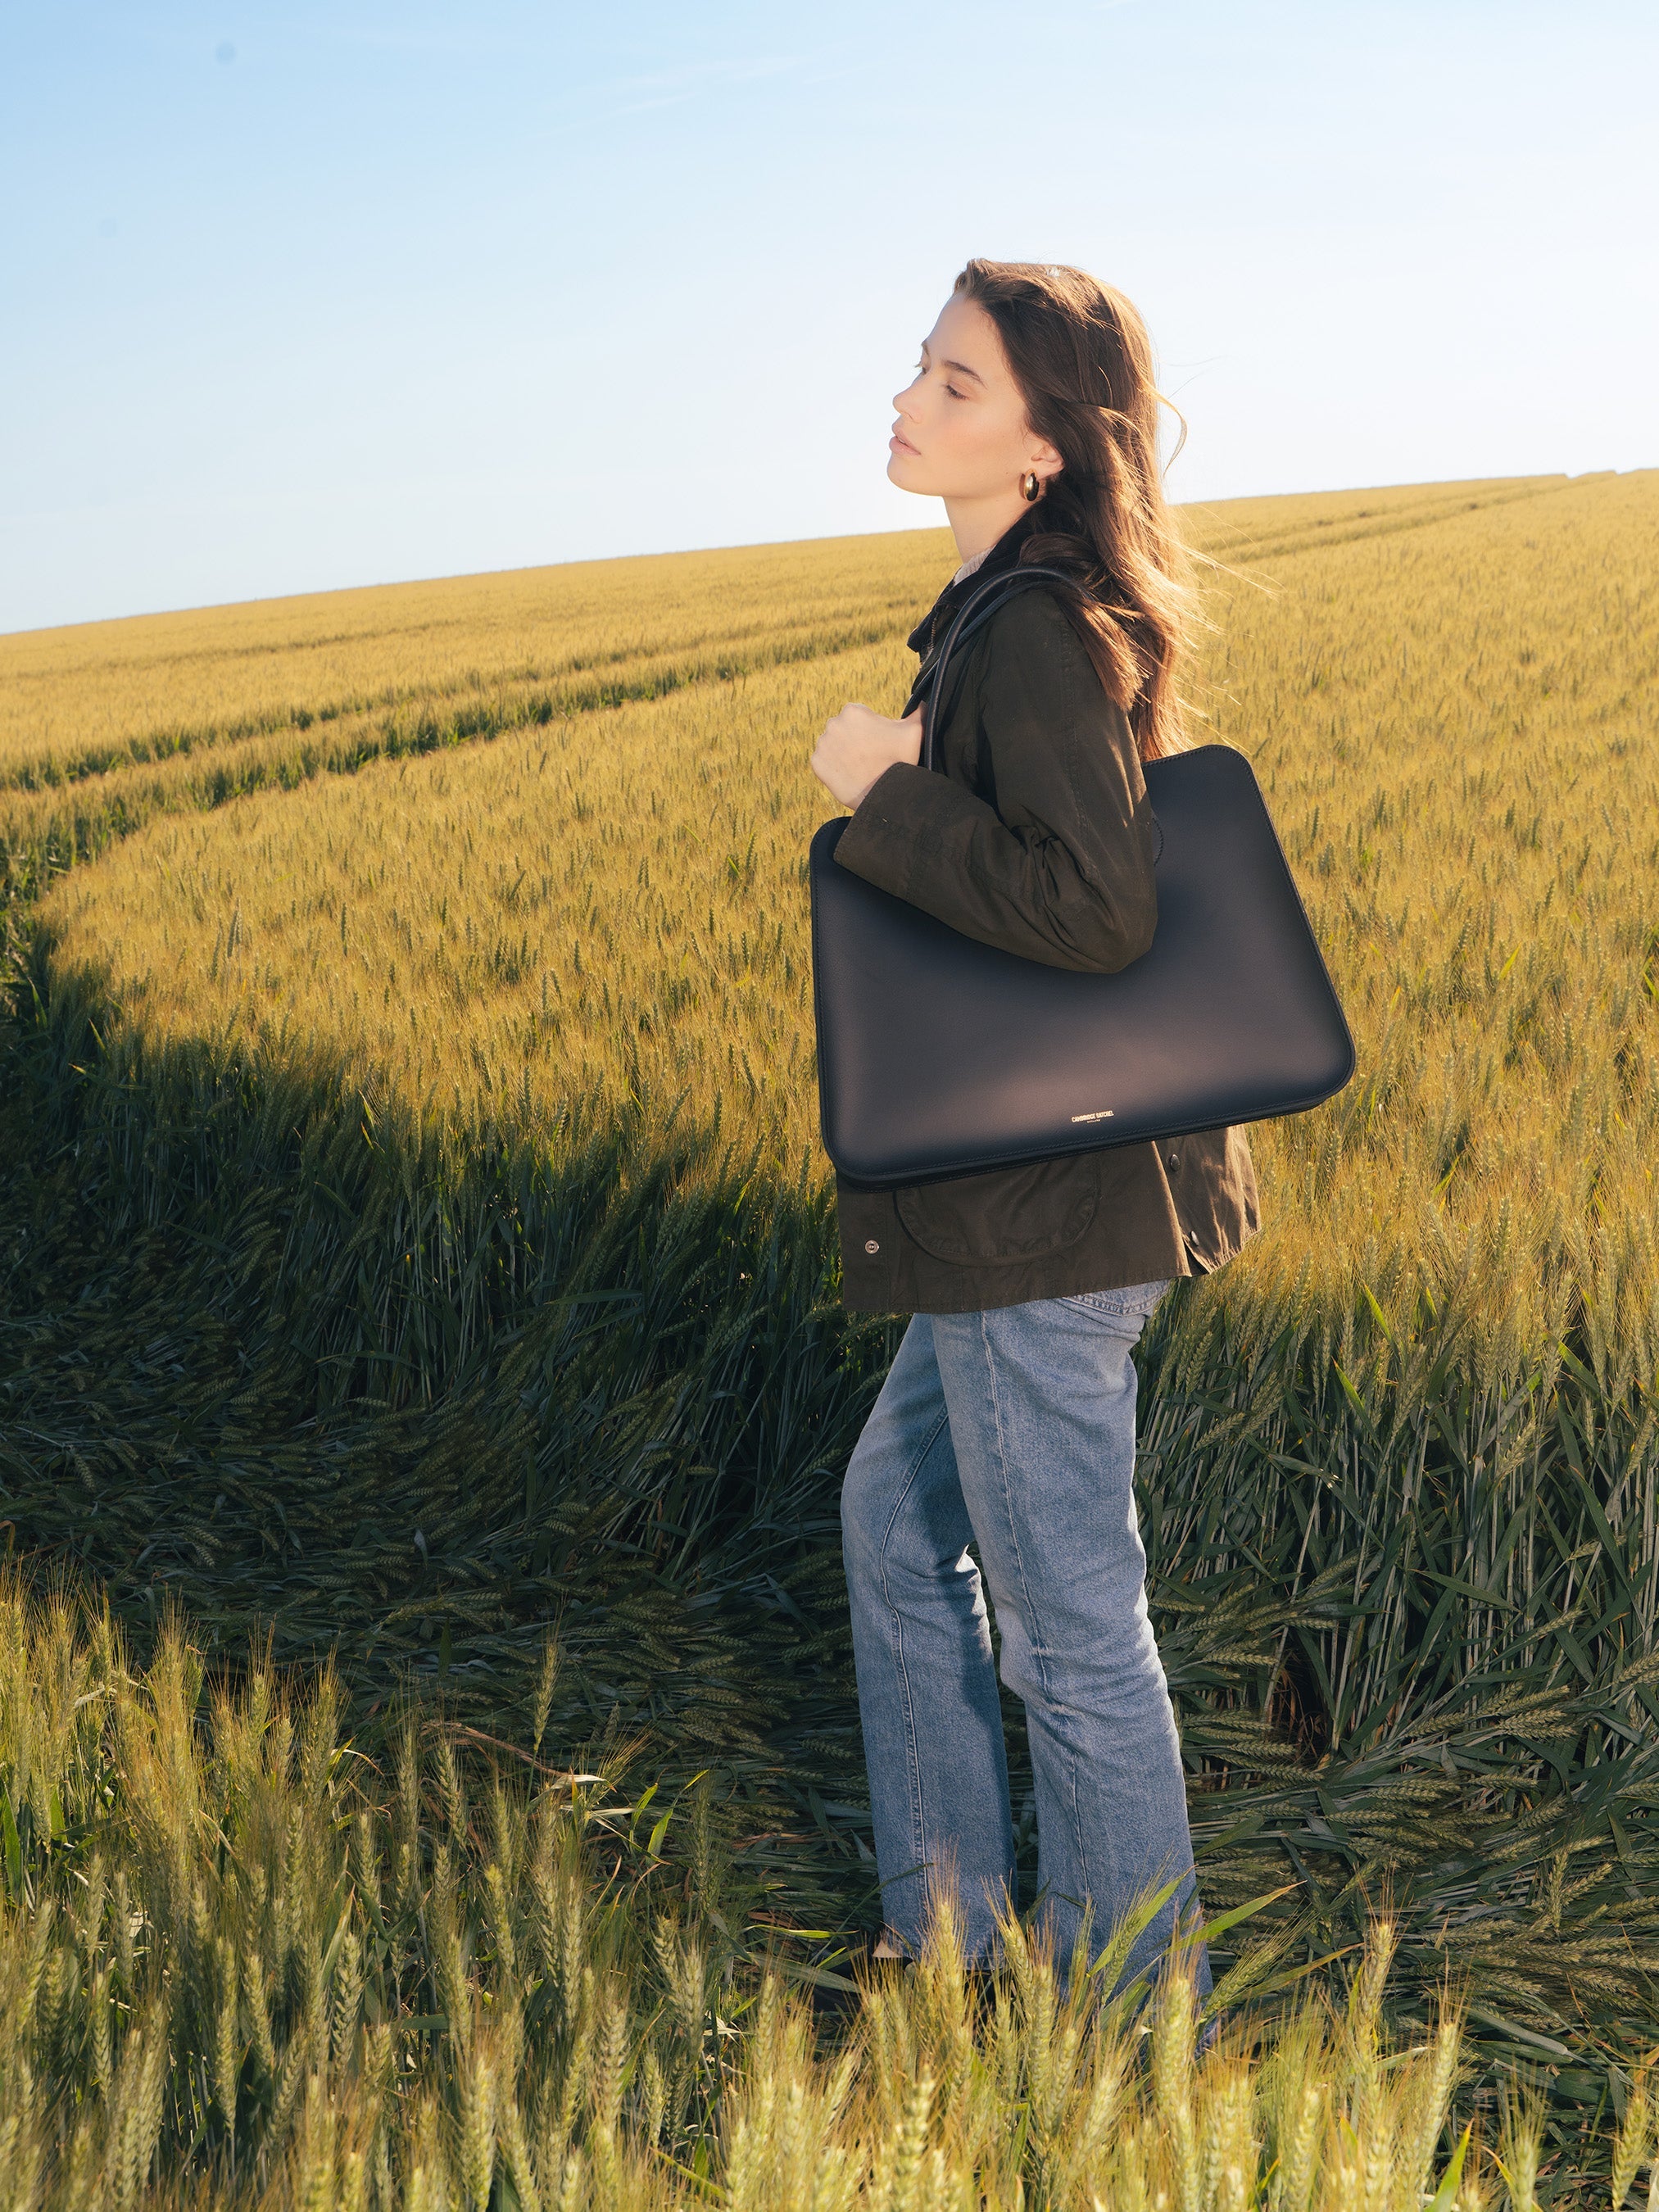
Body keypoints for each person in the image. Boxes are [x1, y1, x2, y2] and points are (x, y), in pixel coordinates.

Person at [807, 259, 1261, 2001]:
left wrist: (883, 795)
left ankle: (1136, 2006)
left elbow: (1090, 915)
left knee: (1068, 1621)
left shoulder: (1035, 636)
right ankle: (948, 1938)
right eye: (920, 368)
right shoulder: (996, 621)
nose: (911, 401)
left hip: (1045, 1219)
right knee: (885, 1522)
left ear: (1044, 450)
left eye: (956, 383)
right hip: (1026, 1208)